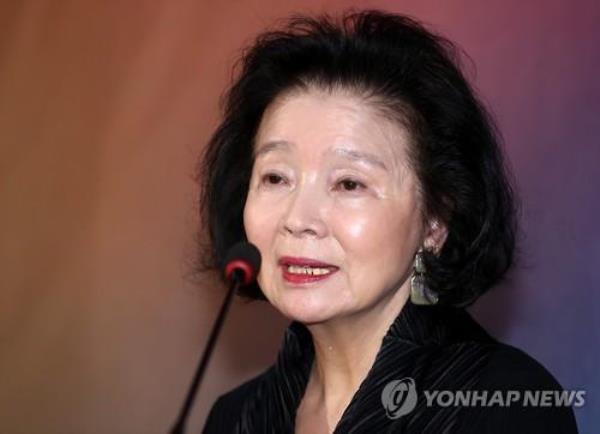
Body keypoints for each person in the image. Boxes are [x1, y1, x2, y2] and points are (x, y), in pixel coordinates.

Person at [197, 9, 579, 433]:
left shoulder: (505, 406)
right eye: (275, 177)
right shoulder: (233, 418)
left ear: (435, 222)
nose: (298, 219)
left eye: (348, 184)